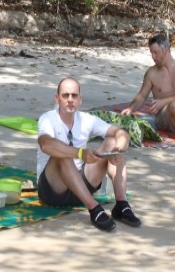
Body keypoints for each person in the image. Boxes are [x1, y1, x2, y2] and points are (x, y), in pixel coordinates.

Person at [37, 77, 140, 232]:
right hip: (53, 189)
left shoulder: (87, 119)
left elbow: (121, 132)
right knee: (62, 154)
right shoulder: (47, 118)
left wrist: (119, 149)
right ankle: (94, 209)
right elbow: (45, 144)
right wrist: (79, 153)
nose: (70, 100)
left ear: (80, 100)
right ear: (57, 99)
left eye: (74, 95)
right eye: (65, 95)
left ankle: (121, 205)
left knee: (112, 142)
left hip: (80, 185)